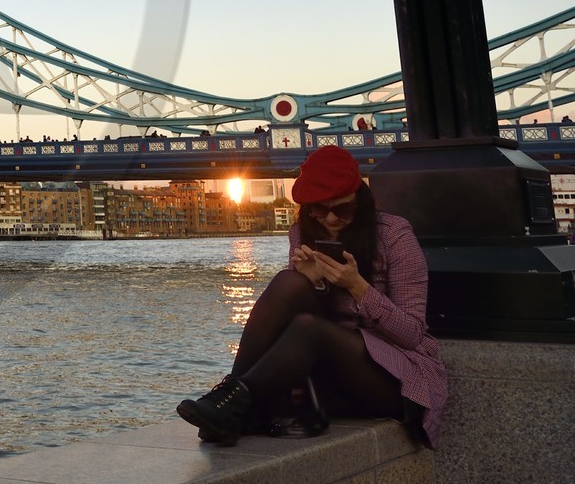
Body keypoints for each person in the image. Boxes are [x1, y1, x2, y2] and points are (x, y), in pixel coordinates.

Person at [176, 144, 447, 448]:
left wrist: (358, 286)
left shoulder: (394, 234)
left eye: (341, 209)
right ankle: (229, 403)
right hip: (325, 370)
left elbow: (411, 334)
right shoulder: (301, 232)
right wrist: (312, 281)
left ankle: (233, 406)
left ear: (360, 198)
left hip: (392, 378)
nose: (329, 219)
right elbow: (297, 313)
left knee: (311, 329)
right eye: (318, 209)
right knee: (289, 282)